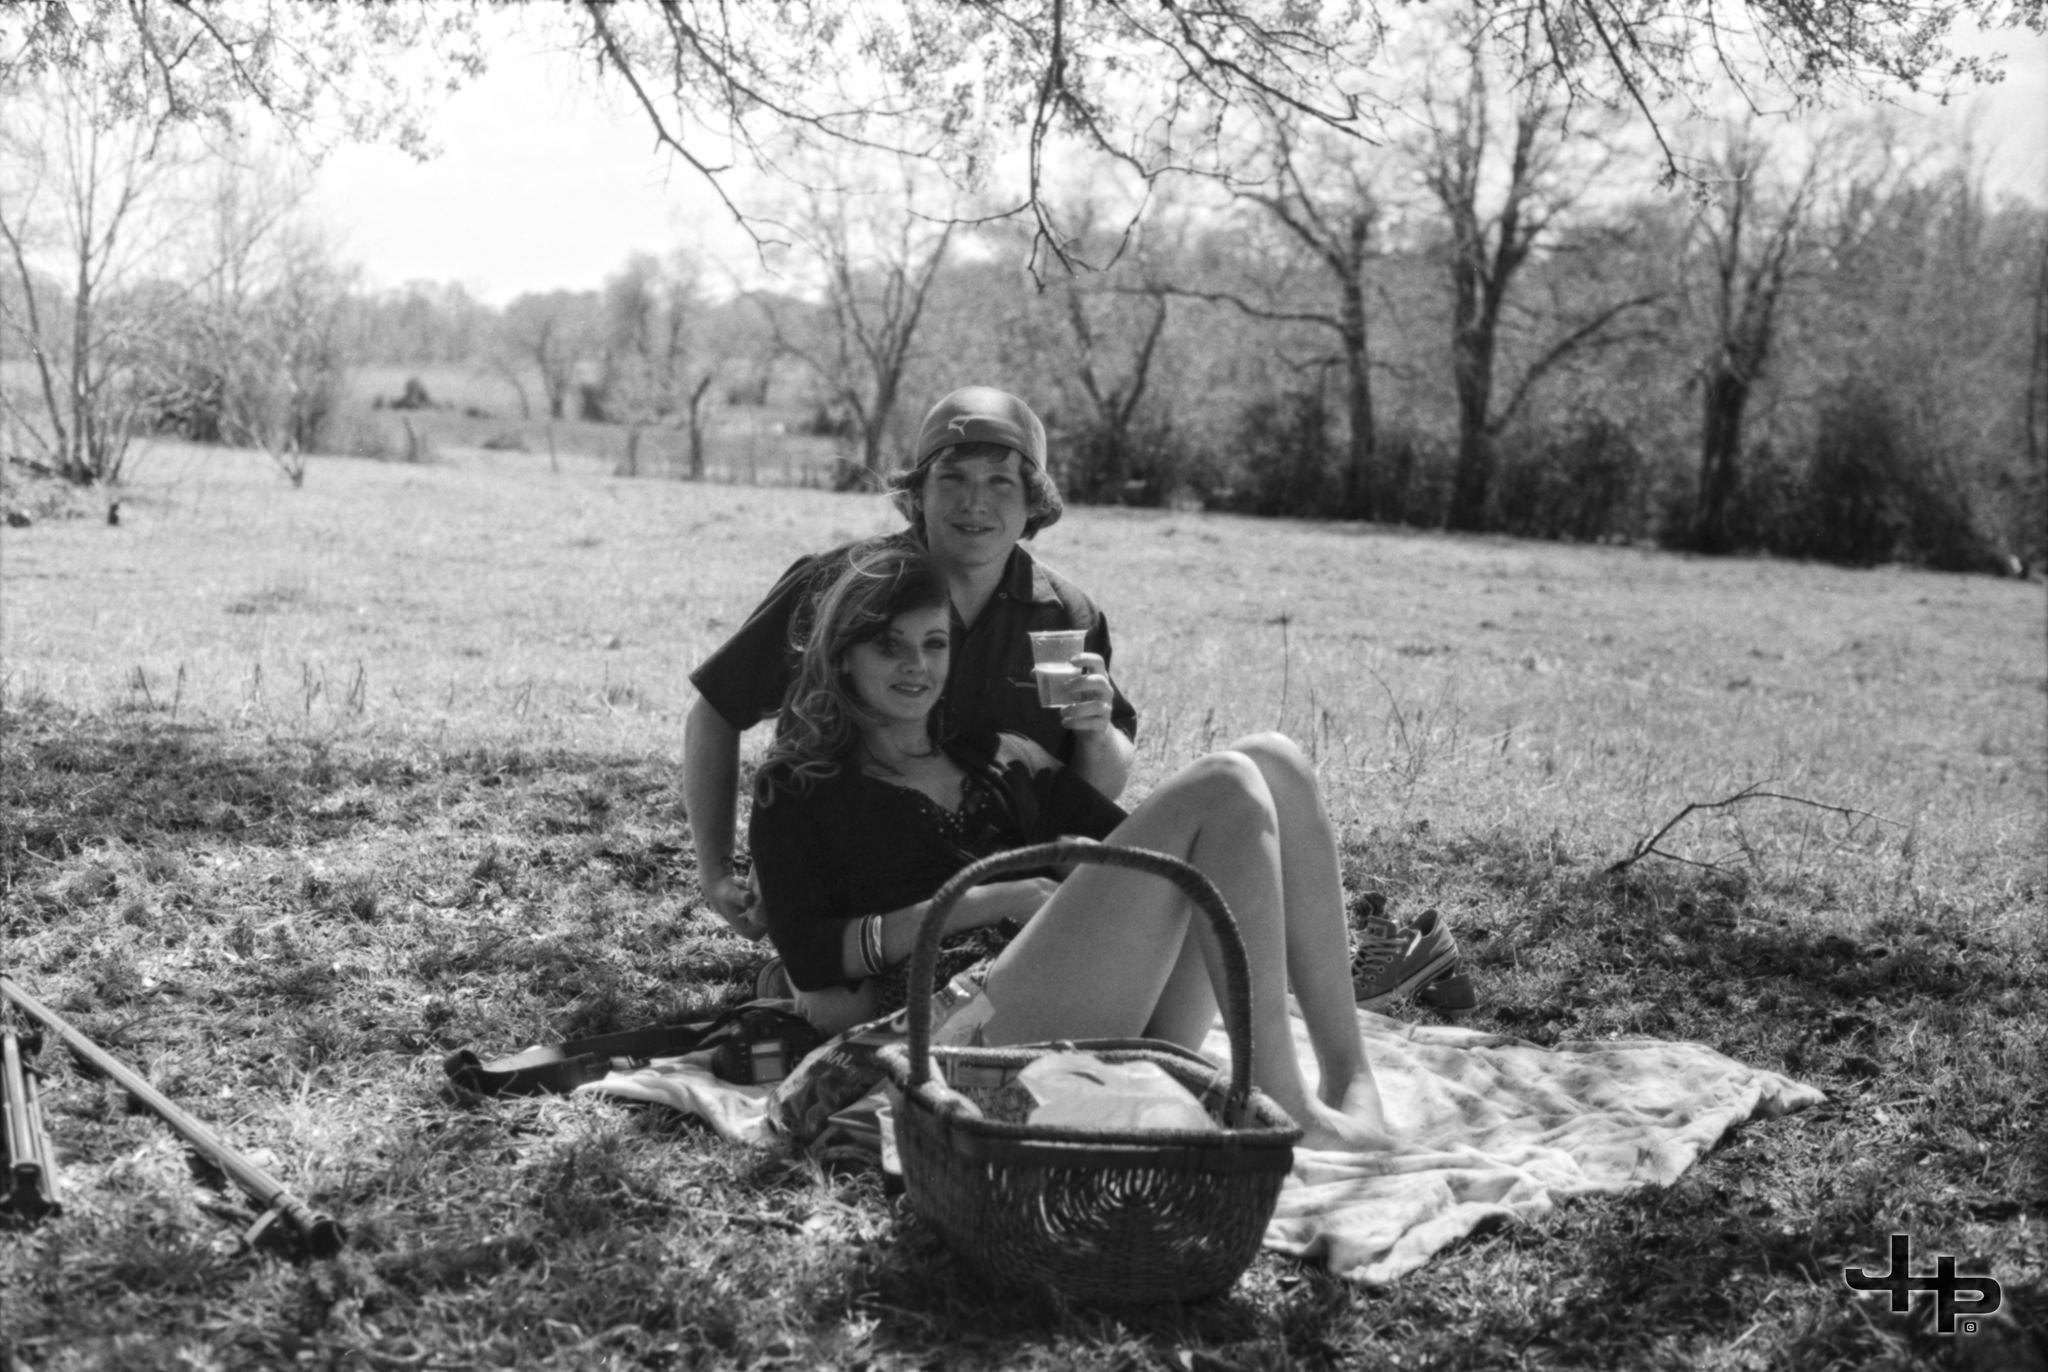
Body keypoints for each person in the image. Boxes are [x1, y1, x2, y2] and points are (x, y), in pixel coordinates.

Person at [748, 543, 1391, 1152]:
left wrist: (1070, 847)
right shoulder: (799, 790)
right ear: (843, 657)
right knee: (1224, 783)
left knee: (1273, 761)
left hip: (1099, 1003)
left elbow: (1151, 858)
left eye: (934, 643)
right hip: (962, 1034)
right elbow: (810, 955)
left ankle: (1349, 1075)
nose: (917, 665)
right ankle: (1284, 1107)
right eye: (890, 646)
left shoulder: (998, 755)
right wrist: (995, 898)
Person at [684, 386, 1137, 944]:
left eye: (1000, 482)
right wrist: (717, 872)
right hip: (851, 907)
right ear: (917, 492)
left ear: (1034, 503)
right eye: (952, 478)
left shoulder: (1065, 615)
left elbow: (1091, 794)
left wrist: (1096, 734)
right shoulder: (840, 584)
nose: (974, 502)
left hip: (1005, 906)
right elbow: (716, 711)